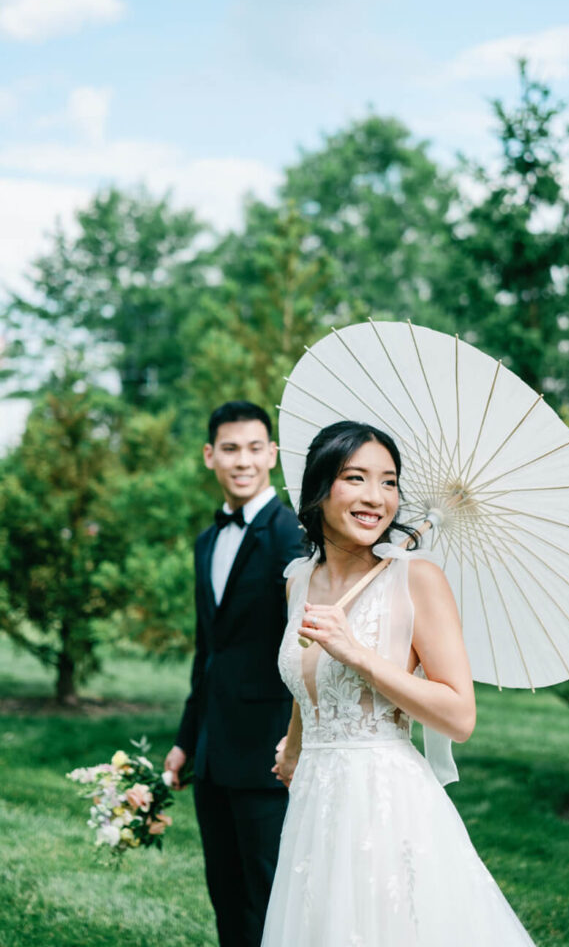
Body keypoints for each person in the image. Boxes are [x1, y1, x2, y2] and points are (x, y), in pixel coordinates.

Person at [262, 420, 537, 946]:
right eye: (356, 478)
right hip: (315, 803)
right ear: (319, 490)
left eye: (389, 482)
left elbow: (459, 717)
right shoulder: (300, 579)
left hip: (385, 802)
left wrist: (358, 654)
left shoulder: (417, 579)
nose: (377, 497)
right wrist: (295, 747)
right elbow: (307, 678)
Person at [164, 401, 304, 947]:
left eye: (253, 448)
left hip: (270, 754)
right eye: (229, 449)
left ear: (271, 453)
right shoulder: (207, 542)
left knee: (271, 897)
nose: (242, 460)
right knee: (226, 895)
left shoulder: (292, 534)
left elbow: (306, 645)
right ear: (209, 456)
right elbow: (210, 654)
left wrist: (296, 739)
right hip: (213, 755)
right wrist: (184, 742)